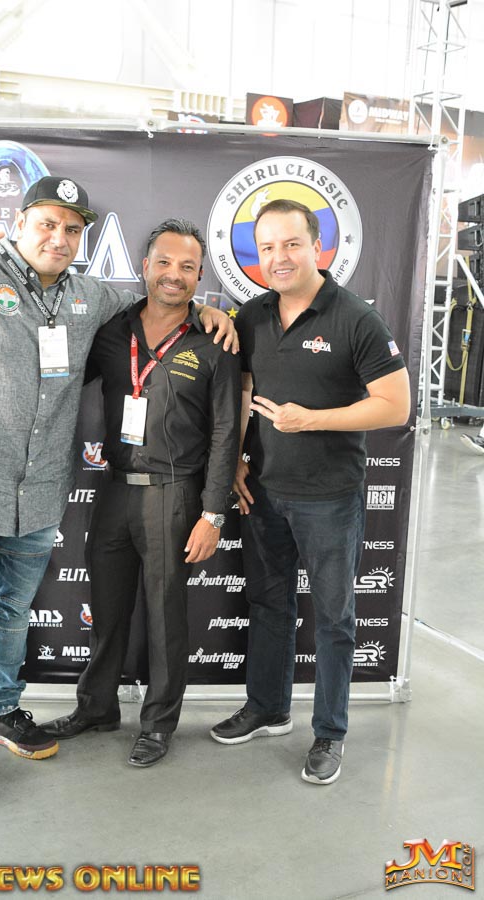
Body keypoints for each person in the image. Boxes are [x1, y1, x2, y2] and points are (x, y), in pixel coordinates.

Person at [0, 177, 235, 804]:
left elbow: (163, 300)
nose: (59, 238)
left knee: (10, 615)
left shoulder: (91, 298)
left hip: (40, 493)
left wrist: (208, 311)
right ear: (20, 223)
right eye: (47, 223)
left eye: (72, 229)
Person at [210, 199, 411, 785]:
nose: (279, 257)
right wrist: (237, 460)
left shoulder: (356, 317)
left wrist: (311, 420)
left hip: (329, 497)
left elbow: (396, 406)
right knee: (269, 604)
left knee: (334, 618)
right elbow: (245, 390)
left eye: (291, 244)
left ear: (317, 247)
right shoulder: (252, 315)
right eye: (267, 247)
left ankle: (329, 733)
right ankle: (268, 709)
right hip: (264, 491)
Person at [41, 219, 241, 767]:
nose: (174, 275)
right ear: (145, 266)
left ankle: (157, 723)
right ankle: (96, 708)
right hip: (113, 490)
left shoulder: (216, 340)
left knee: (164, 616)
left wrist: (213, 514)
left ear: (200, 276)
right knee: (106, 611)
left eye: (187, 267)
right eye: (164, 262)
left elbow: (227, 432)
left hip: (174, 496)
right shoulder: (112, 330)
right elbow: (56, 376)